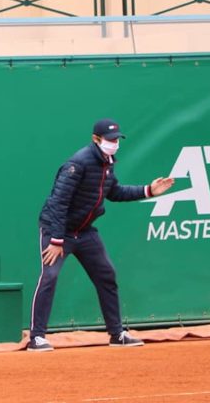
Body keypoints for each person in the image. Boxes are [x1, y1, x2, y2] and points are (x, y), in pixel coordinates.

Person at [28, 119, 174, 352]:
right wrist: (56, 240)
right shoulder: (77, 164)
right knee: (50, 277)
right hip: (59, 232)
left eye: (117, 140)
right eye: (110, 140)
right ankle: (36, 338)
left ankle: (117, 334)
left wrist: (148, 190)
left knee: (106, 275)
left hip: (84, 232)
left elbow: (114, 192)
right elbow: (58, 203)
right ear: (96, 139)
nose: (114, 144)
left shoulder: (107, 163)